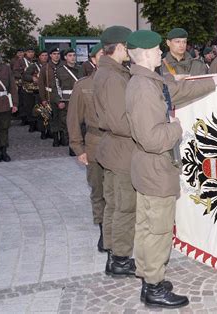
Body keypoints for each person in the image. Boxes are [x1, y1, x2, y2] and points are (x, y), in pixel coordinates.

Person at [125, 30, 217, 308]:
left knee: (148, 225)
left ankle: (148, 274)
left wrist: (215, 81)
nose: (162, 54)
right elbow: (152, 138)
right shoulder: (144, 87)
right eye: (157, 50)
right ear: (146, 54)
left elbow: (178, 92)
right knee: (158, 229)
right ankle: (153, 286)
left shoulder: (148, 80)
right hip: (155, 165)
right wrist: (176, 128)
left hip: (149, 166)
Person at [93, 25, 136, 277]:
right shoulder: (112, 76)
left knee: (113, 205)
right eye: (128, 46)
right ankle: (120, 258)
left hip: (113, 148)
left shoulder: (110, 72)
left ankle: (113, 254)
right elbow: (121, 121)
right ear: (120, 47)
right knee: (124, 207)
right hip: (121, 150)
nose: (130, 51)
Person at [67, 43, 106, 253]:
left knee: (120, 191)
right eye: (102, 54)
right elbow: (73, 119)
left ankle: (117, 231)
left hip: (121, 145)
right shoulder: (83, 86)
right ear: (93, 59)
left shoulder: (125, 82)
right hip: (95, 143)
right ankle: (104, 231)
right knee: (98, 189)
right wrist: (78, 148)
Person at [52, 48, 83, 150]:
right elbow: (56, 87)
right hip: (66, 101)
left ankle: (79, 145)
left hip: (79, 99)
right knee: (68, 124)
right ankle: (72, 147)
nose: (73, 57)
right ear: (65, 57)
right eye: (70, 55)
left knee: (80, 123)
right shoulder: (60, 70)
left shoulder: (80, 69)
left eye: (74, 55)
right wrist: (59, 101)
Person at [23, 50, 49, 138]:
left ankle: (49, 130)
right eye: (43, 55)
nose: (45, 57)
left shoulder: (50, 66)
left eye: (46, 55)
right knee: (41, 112)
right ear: (39, 57)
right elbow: (25, 76)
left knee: (49, 112)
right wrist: (32, 78)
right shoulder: (33, 66)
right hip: (37, 91)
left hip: (49, 91)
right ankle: (42, 131)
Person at [38, 47, 63, 138]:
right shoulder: (46, 67)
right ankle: (55, 137)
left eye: (58, 54)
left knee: (62, 117)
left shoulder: (64, 66)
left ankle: (63, 136)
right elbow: (41, 84)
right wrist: (43, 98)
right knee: (53, 117)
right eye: (54, 54)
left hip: (62, 96)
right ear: (51, 55)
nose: (56, 56)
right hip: (50, 96)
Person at [13, 47, 35, 127]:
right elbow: (15, 72)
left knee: (30, 102)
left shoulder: (33, 61)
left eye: (32, 52)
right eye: (29, 52)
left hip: (32, 85)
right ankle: (24, 119)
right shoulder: (20, 61)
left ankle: (31, 118)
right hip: (22, 84)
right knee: (23, 102)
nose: (31, 53)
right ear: (26, 53)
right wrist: (23, 74)